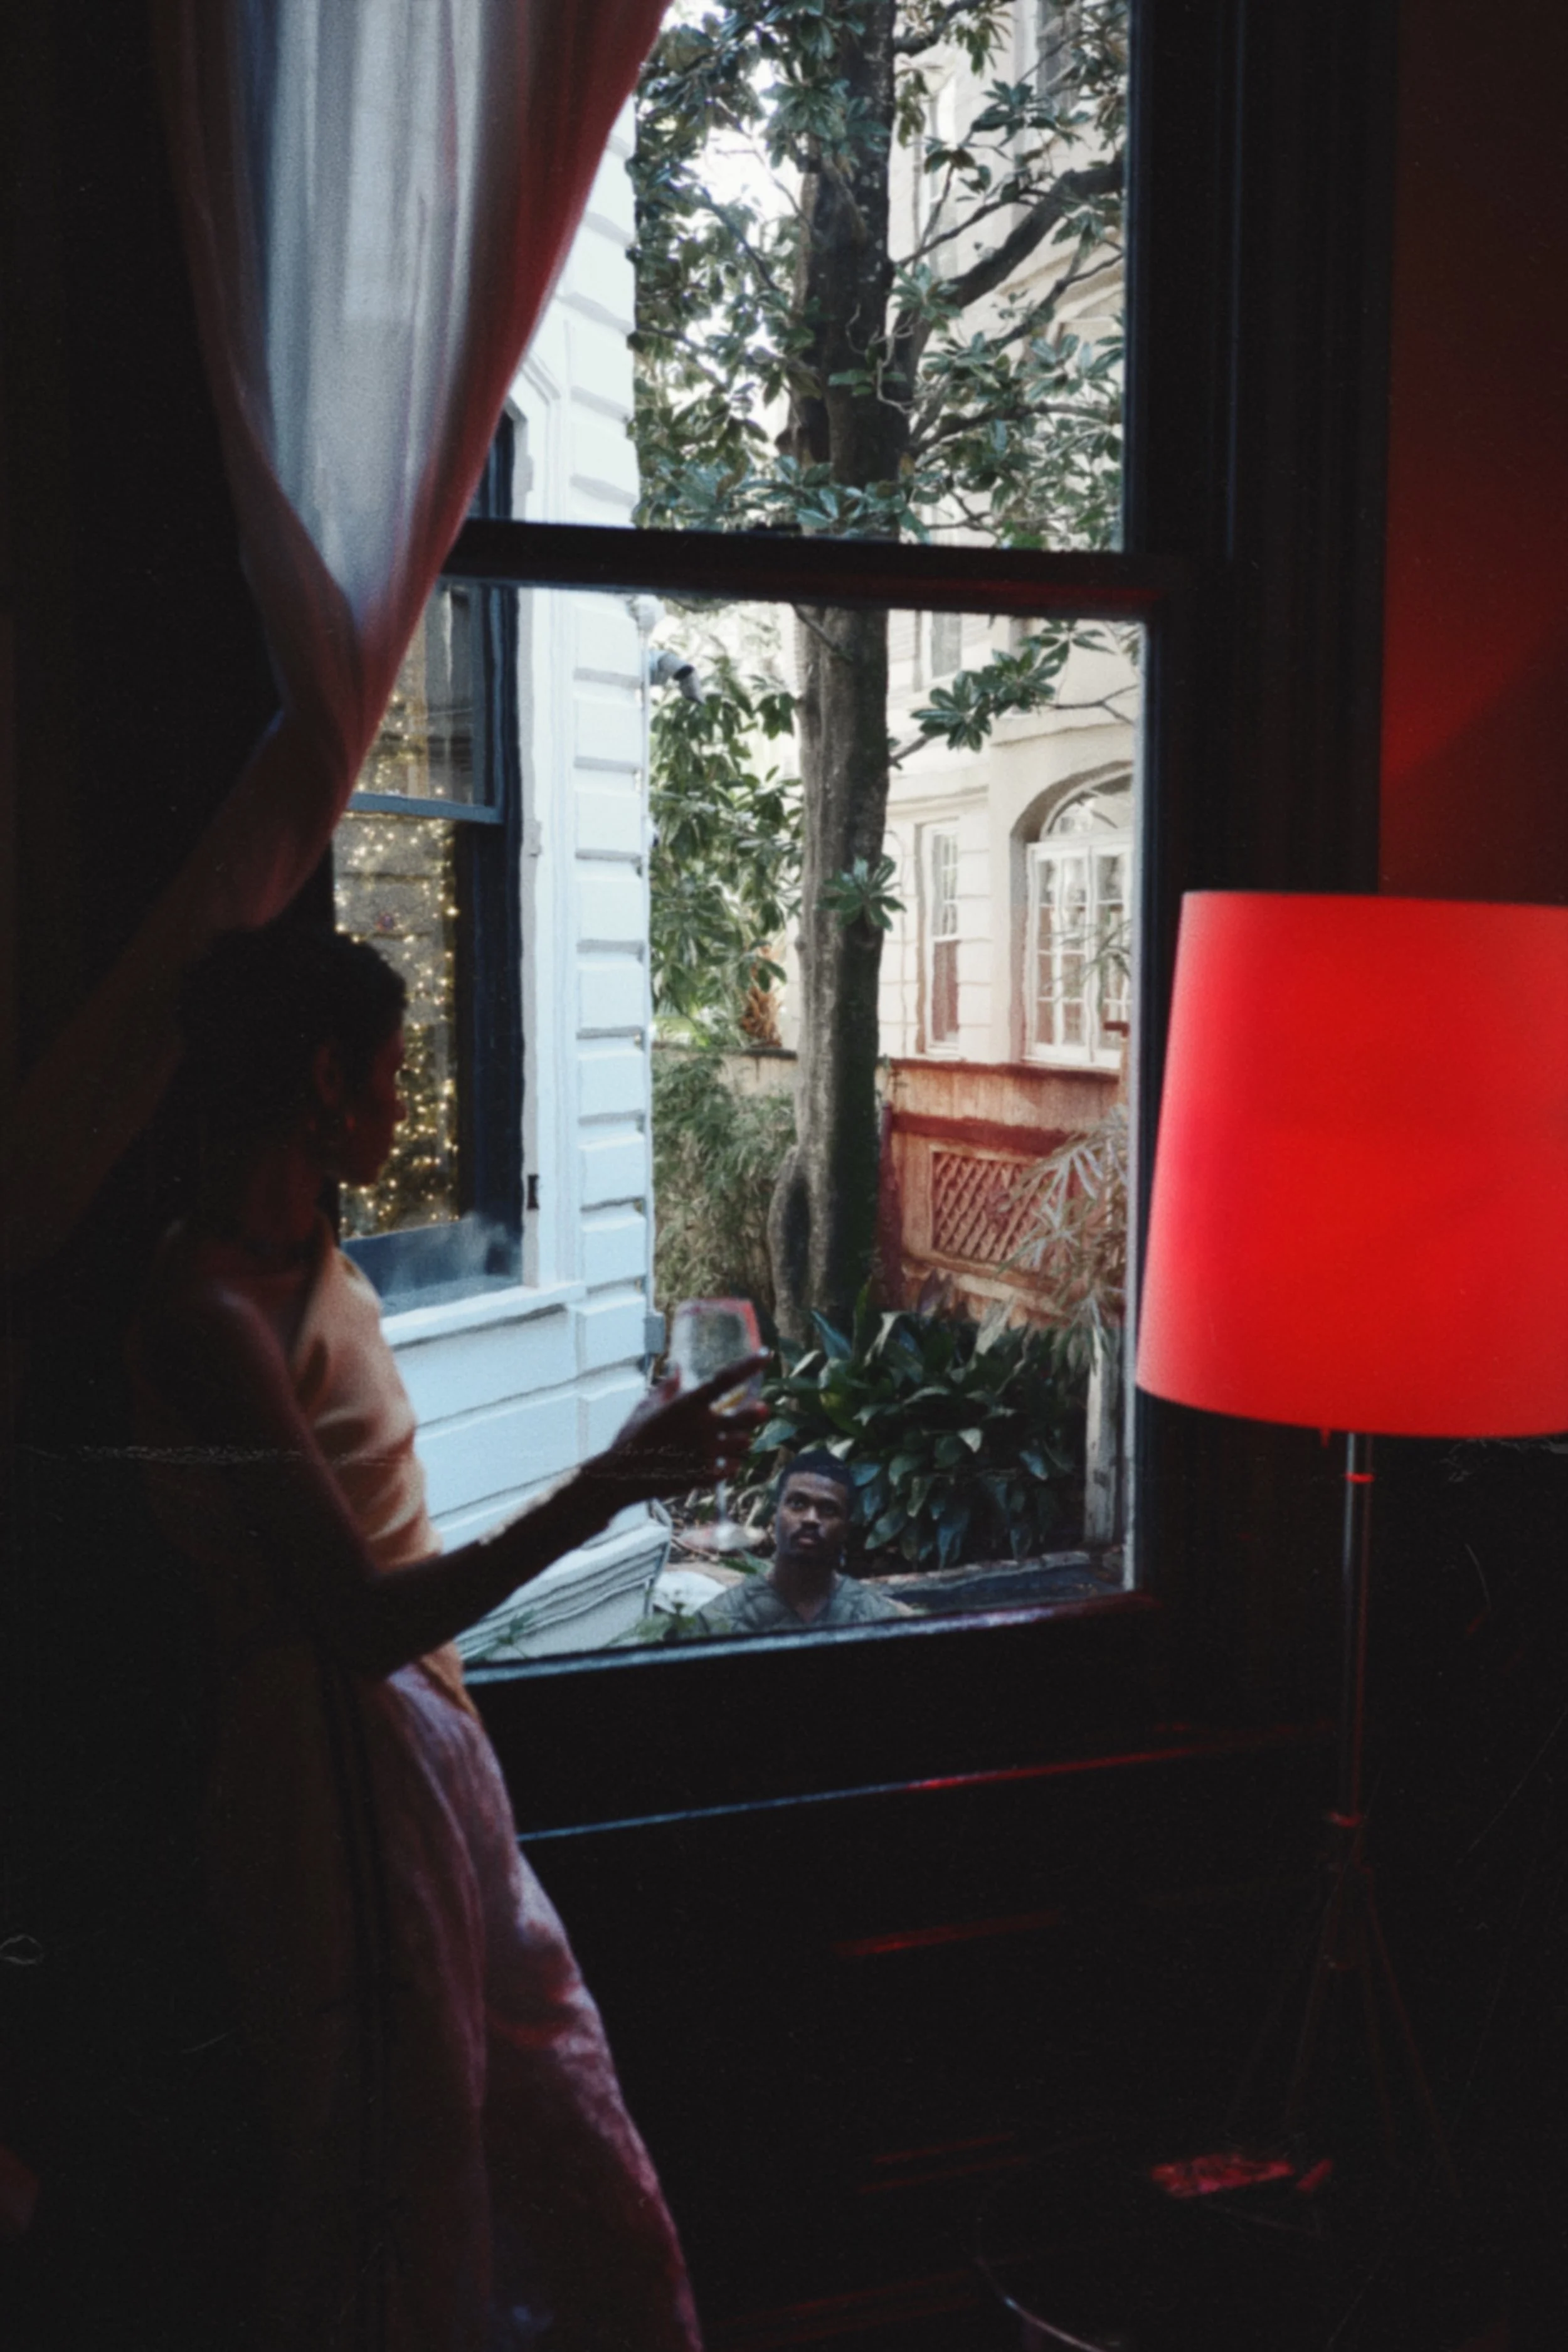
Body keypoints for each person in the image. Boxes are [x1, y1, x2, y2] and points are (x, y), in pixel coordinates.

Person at [129, 919, 764, 2352]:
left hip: (424, 1749)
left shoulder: (309, 1250)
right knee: (388, 2176)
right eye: (392, 1073)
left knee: (544, 2099)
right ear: (321, 1076)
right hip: (326, 1773)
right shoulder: (206, 1309)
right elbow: (358, 1615)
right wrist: (612, 1483)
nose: (405, 1104)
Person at [673, 1449, 909, 1638]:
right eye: (798, 1504)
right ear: (775, 1515)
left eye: (828, 1510)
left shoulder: (876, 1621)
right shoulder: (716, 1624)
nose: (811, 1519)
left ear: (846, 1527)